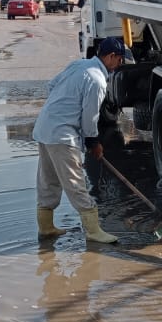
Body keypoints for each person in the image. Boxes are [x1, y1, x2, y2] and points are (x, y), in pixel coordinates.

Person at [32, 37, 128, 244]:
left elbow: (52, 85)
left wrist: (62, 110)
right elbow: (90, 116)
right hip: (62, 135)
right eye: (120, 60)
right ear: (111, 57)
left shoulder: (79, 65)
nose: (120, 65)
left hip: (45, 128)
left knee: (48, 181)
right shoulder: (97, 80)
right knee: (76, 184)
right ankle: (93, 231)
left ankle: (46, 227)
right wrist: (93, 142)